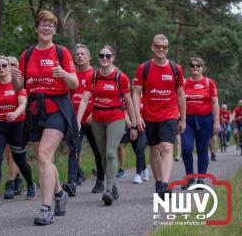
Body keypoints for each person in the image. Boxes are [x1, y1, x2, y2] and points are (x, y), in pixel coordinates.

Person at [11, 10, 78, 225]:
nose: (46, 27)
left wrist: (63, 74)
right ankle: (60, 194)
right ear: (36, 28)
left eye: (50, 24)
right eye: (43, 24)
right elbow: (19, 87)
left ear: (55, 29)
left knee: (43, 155)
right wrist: (15, 80)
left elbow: (75, 84)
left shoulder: (61, 52)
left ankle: (45, 208)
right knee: (44, 159)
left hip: (58, 106)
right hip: (35, 109)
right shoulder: (27, 55)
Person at [77, 45, 138, 206]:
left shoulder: (121, 77)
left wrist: (133, 124)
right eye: (102, 56)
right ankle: (114, 187)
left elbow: (129, 102)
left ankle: (109, 189)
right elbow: (84, 100)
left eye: (108, 56)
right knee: (104, 154)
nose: (104, 58)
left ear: (113, 57)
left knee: (111, 153)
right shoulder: (93, 77)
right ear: (98, 58)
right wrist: (77, 121)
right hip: (97, 120)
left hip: (116, 118)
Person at [132, 34, 186, 199]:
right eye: (158, 46)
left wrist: (183, 118)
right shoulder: (144, 68)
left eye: (164, 47)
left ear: (167, 49)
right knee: (154, 150)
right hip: (149, 115)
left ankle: (165, 184)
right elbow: (136, 93)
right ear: (153, 47)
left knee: (167, 148)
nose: (161, 49)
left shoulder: (176, 69)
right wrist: (138, 117)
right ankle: (158, 182)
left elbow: (180, 94)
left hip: (169, 114)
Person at [0, 55, 36, 206]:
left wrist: (15, 114)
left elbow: (23, 103)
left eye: (4, 65)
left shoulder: (17, 84)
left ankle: (31, 184)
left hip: (17, 126)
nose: (1, 68)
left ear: (10, 67)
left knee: (20, 160)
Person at [62, 44, 105, 197]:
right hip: (76, 120)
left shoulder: (96, 73)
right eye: (77, 54)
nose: (79, 56)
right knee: (74, 149)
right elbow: (65, 96)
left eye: (83, 54)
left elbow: (105, 95)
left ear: (89, 57)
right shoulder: (71, 74)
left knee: (98, 151)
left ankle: (100, 180)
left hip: (94, 119)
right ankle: (72, 183)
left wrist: (96, 111)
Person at [180, 57, 220, 189]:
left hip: (205, 119)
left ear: (202, 67)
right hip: (188, 120)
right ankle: (189, 178)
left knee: (202, 149)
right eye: (193, 65)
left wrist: (216, 122)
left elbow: (215, 103)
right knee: (186, 148)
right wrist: (179, 119)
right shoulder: (184, 82)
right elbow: (178, 101)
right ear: (190, 68)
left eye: (198, 66)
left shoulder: (209, 82)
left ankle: (201, 179)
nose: (195, 68)